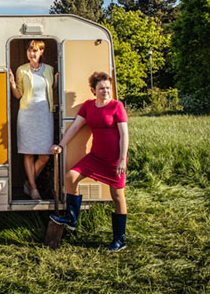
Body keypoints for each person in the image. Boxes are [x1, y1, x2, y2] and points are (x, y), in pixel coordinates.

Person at [49, 71, 129, 252]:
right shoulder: (88, 106)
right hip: (95, 157)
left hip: (114, 160)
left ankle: (119, 240)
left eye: (108, 88)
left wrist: (122, 159)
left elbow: (124, 134)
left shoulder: (117, 106)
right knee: (70, 176)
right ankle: (72, 218)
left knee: (117, 197)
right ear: (93, 90)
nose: (105, 91)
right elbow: (76, 127)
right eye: (101, 88)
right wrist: (60, 145)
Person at [9, 40, 58, 200]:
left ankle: (28, 183)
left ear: (41, 52)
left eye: (35, 51)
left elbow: (51, 90)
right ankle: (34, 188)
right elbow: (18, 95)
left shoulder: (49, 70)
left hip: (45, 115)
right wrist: (12, 84)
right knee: (28, 153)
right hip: (27, 114)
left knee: (44, 155)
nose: (32, 54)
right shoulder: (21, 70)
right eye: (30, 50)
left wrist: (56, 82)